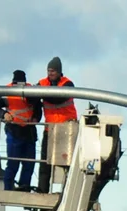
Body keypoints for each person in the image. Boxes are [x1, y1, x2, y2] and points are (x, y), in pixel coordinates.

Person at [0, 70, 43, 192]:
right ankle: (8, 188)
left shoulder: (32, 92)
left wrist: (35, 118)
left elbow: (38, 107)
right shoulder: (6, 92)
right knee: (13, 163)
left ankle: (24, 187)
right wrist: (3, 114)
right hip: (14, 130)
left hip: (29, 131)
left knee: (29, 164)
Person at [36, 56, 77, 192]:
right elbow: (32, 97)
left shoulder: (68, 84)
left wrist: (42, 94)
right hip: (50, 129)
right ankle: (42, 191)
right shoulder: (42, 83)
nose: (50, 73)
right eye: (48, 71)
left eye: (53, 71)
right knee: (45, 164)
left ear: (59, 71)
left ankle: (68, 191)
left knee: (67, 164)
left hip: (66, 130)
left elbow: (57, 98)